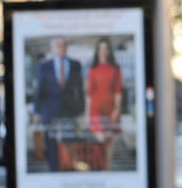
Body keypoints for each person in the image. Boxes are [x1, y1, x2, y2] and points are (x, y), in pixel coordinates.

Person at [33, 37, 85, 172]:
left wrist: (81, 110)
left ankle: (68, 168)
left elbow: (79, 89)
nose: (60, 48)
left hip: (70, 110)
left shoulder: (75, 65)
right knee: (51, 143)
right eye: (57, 46)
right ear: (52, 49)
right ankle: (54, 170)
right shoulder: (45, 66)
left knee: (70, 140)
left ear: (66, 48)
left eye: (63, 45)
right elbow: (40, 90)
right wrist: (37, 111)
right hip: (50, 111)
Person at [85, 37, 123, 171]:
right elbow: (89, 93)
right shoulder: (93, 70)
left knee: (110, 141)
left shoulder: (115, 69)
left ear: (109, 51)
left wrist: (117, 109)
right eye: (101, 49)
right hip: (96, 108)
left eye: (106, 49)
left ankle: (108, 168)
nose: (103, 52)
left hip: (111, 107)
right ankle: (100, 166)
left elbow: (118, 90)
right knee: (100, 138)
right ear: (97, 51)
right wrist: (87, 113)